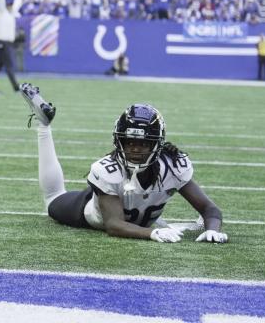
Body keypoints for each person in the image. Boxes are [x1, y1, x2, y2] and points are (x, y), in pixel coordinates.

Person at [21, 83, 228, 244]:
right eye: (129, 142)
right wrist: (153, 233)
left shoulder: (173, 166)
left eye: (143, 144)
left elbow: (210, 209)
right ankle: (44, 125)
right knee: (53, 200)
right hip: (89, 212)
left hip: (137, 216)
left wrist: (212, 230)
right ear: (118, 141)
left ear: (157, 144)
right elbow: (114, 225)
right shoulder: (107, 170)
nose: (135, 149)